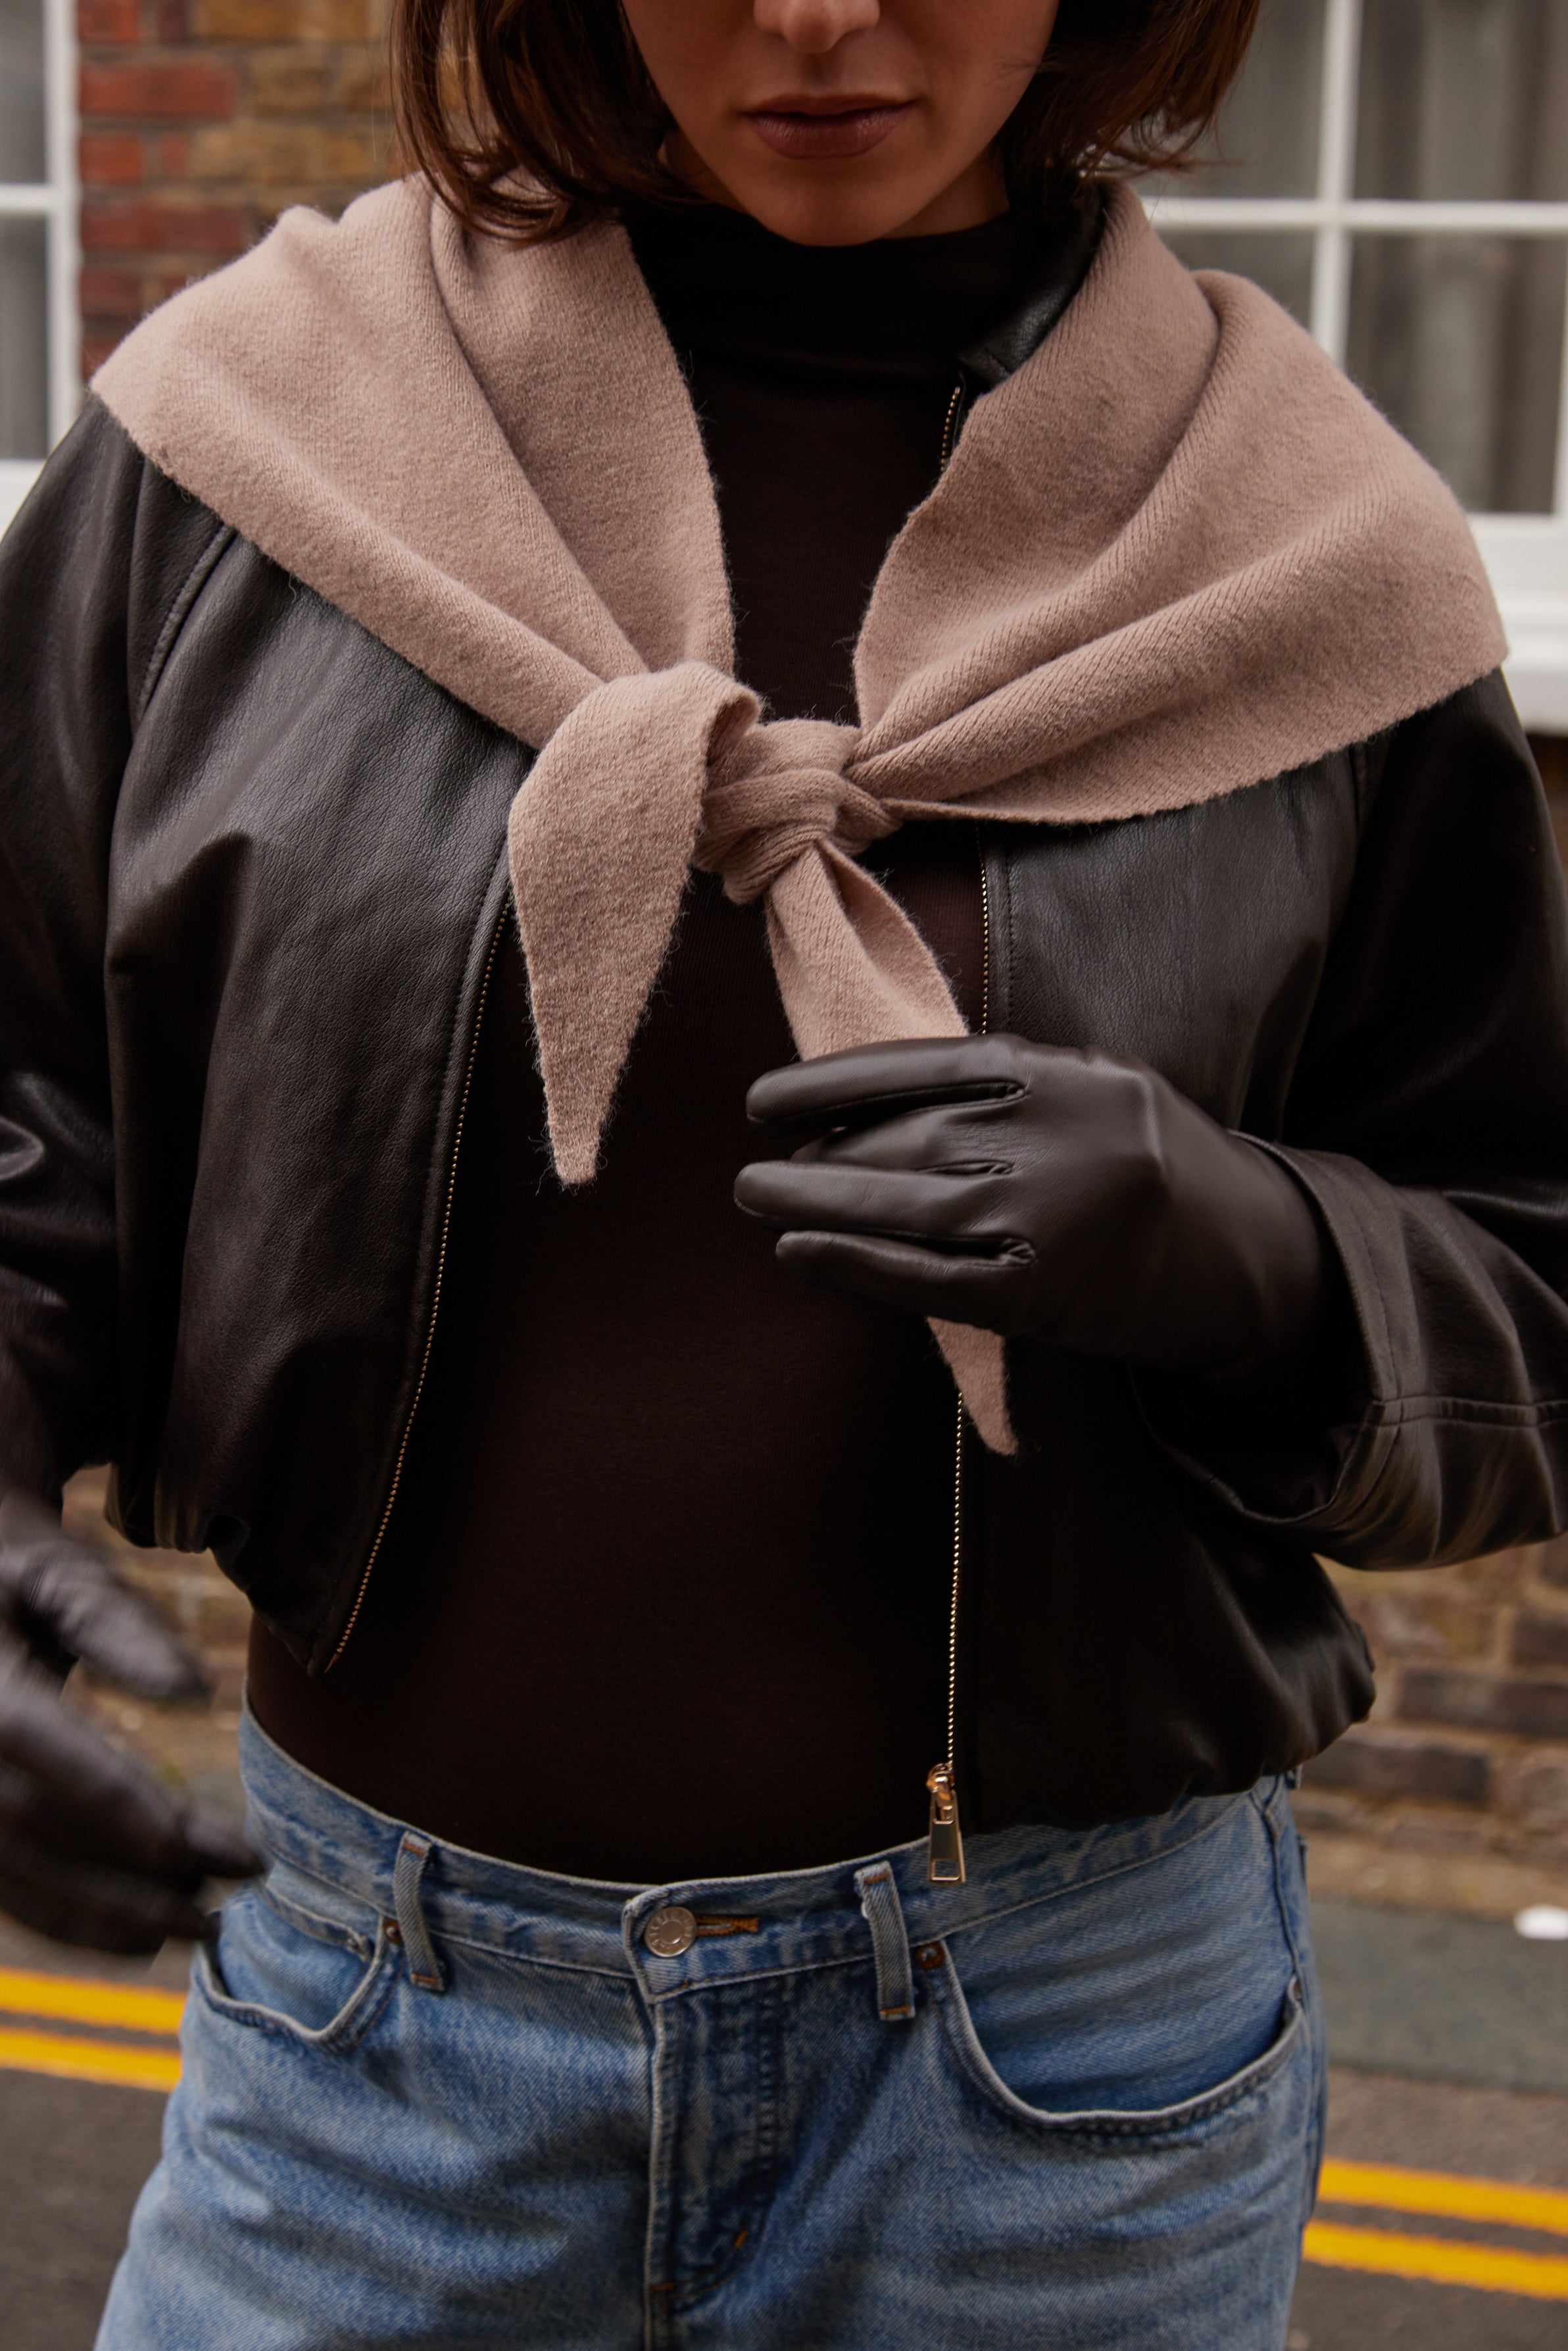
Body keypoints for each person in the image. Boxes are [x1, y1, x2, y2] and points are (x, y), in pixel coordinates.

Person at [1, 0, 1565, 2340]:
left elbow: (1530, 1277)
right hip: (365, 2045)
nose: (820, 9)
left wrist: (1255, 1253)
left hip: (1060, 2077)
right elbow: (33, 1120)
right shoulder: (238, 451)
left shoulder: (1313, 549)